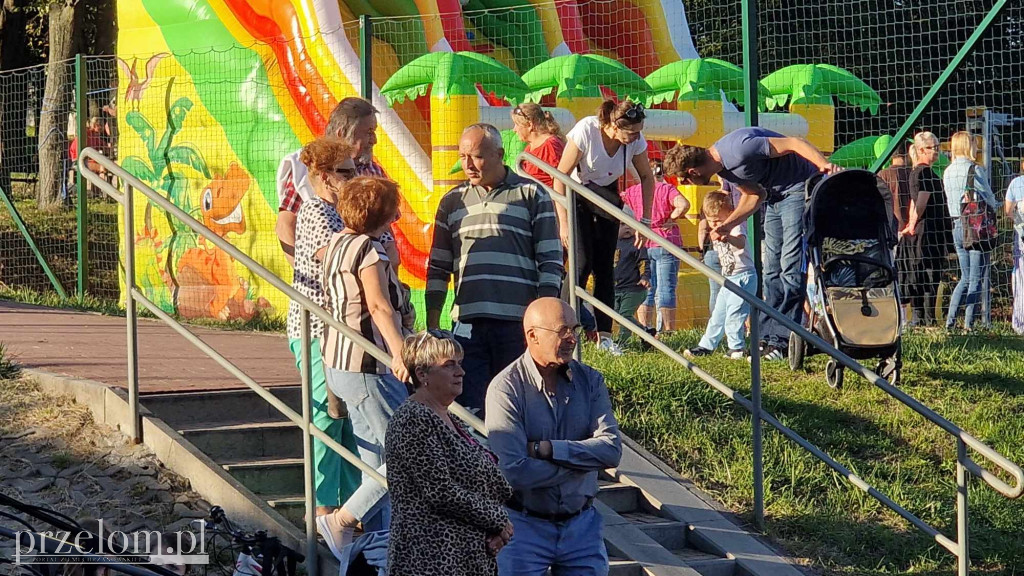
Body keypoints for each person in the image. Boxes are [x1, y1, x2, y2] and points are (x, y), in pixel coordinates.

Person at [664, 128, 838, 361]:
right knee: (771, 271)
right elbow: (755, 195)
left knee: (790, 266)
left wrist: (823, 165)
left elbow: (795, 142)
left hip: (798, 189)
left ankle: (784, 340)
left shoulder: (738, 150)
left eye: (685, 179)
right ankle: (766, 339)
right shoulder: (724, 170)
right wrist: (727, 225)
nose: (687, 183)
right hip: (774, 198)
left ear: (693, 171)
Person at [426, 123, 563, 416]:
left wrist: (544, 319)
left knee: (517, 406)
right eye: (462, 157)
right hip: (467, 325)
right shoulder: (451, 202)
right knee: (471, 408)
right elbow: (438, 265)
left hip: (517, 323)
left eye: (475, 156)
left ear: (499, 154)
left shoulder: (532, 194)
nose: (468, 165)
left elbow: (551, 261)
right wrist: (433, 324)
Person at [486, 297, 622, 576]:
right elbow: (512, 472)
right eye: (563, 331)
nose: (572, 339)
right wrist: (580, 464)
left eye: (575, 329)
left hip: (582, 526)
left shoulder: (590, 380)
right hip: (523, 528)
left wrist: (549, 449)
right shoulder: (506, 389)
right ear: (532, 335)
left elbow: (611, 450)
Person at [317, 176, 410, 555]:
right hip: (369, 363)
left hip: (339, 361)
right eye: (393, 209)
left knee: (376, 457)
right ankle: (340, 520)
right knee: (407, 452)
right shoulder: (369, 251)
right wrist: (399, 350)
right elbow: (378, 305)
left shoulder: (337, 243)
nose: (399, 215)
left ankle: (375, 542)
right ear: (379, 214)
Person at [385, 330, 514, 576]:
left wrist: (501, 528)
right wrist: (498, 519)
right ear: (422, 374)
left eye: (460, 364)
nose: (461, 372)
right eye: (449, 365)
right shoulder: (413, 419)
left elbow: (487, 481)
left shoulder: (451, 418)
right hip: (429, 560)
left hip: (467, 557)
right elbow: (440, 491)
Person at [284, 137, 362, 529]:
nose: (355, 177)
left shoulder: (342, 213)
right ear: (323, 176)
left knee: (347, 420)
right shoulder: (317, 211)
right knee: (326, 417)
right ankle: (321, 508)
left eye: (356, 169)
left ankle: (350, 504)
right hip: (317, 329)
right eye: (346, 172)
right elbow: (333, 258)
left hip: (343, 332)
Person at [555, 100, 655, 339]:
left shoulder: (634, 141)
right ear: (613, 125)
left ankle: (605, 336)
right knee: (582, 264)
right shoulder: (587, 129)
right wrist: (565, 223)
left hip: (606, 197)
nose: (634, 138)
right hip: (577, 194)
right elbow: (559, 177)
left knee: (605, 269)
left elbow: (647, 178)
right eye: (630, 133)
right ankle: (562, 328)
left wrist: (645, 221)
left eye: (638, 132)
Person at [276, 97, 393, 267]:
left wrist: (387, 273)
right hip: (326, 280)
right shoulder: (307, 169)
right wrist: (305, 273)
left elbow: (386, 230)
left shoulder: (373, 171)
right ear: (341, 134)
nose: (374, 140)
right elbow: (285, 226)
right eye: (368, 132)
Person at [684, 191, 757, 360]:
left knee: (735, 313)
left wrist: (727, 237)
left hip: (743, 276)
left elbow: (740, 243)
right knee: (718, 313)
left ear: (730, 214)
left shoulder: (736, 227)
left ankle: (736, 347)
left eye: (719, 220)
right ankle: (707, 345)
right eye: (711, 221)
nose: (715, 224)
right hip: (728, 279)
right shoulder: (713, 230)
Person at [621, 159, 689, 334]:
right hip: (666, 241)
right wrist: (670, 219)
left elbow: (619, 204)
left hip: (642, 242)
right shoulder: (666, 189)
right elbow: (684, 205)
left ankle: (646, 327)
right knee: (666, 286)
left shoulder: (633, 191)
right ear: (662, 173)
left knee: (646, 286)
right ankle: (667, 329)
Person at [943, 131, 997, 332]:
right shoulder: (975, 169)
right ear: (969, 145)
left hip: (957, 224)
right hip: (974, 227)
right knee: (976, 278)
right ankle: (969, 324)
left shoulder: (948, 171)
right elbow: (989, 198)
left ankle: (950, 322)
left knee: (965, 277)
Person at [901, 132, 946, 326]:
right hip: (927, 230)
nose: (936, 150)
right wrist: (912, 224)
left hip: (926, 228)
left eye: (937, 146)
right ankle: (926, 319)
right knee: (928, 274)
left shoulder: (920, 172)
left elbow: (914, 202)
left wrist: (910, 223)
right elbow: (920, 200)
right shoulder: (923, 172)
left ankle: (921, 319)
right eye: (932, 147)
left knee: (923, 273)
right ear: (920, 150)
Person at [878, 152, 916, 323]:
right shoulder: (911, 173)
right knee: (909, 272)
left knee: (891, 271)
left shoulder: (883, 175)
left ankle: (892, 316)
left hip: (890, 229)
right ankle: (908, 316)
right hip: (910, 228)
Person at [613, 207, 650, 345]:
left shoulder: (637, 243)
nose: (627, 228)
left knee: (625, 315)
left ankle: (622, 343)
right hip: (616, 288)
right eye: (622, 224)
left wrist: (644, 277)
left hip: (634, 288)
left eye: (630, 224)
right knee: (616, 314)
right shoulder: (611, 243)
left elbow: (643, 261)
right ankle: (645, 333)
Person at [512, 102, 565, 188]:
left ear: (529, 124)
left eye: (517, 124)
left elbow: (560, 182)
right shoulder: (529, 148)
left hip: (547, 199)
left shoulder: (550, 145)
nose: (514, 129)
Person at [1004, 159, 1024, 334]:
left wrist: (1020, 225)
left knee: (1021, 279)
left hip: (1022, 237)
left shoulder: (1017, 183)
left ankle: (1020, 323)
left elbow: (1008, 211)